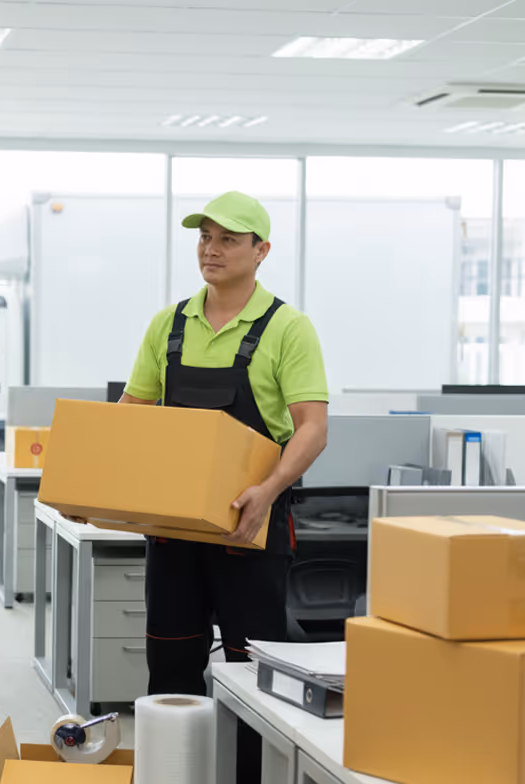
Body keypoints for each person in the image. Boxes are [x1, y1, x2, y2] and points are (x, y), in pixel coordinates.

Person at [120, 190, 329, 684]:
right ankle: (176, 766)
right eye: (205, 238)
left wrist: (267, 491)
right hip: (174, 530)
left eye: (228, 240)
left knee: (255, 675)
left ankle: (252, 766)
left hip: (249, 527)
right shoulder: (168, 324)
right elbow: (130, 417)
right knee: (170, 670)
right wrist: (95, 487)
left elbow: (313, 429)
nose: (210, 249)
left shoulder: (288, 328)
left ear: (261, 251)